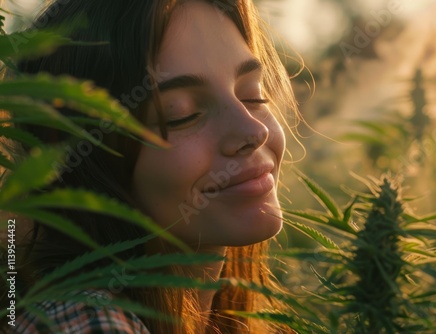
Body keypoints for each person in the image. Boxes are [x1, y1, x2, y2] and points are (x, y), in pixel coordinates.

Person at [1, 0, 299, 333]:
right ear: (89, 160)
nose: (253, 131)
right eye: (182, 114)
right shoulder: (89, 322)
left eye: (252, 95)